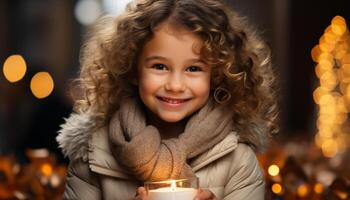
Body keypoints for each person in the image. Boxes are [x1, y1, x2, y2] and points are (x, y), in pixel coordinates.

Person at [56, 0, 278, 199]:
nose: (175, 85)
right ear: (132, 70)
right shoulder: (93, 156)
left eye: (193, 68)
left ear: (217, 75)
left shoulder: (238, 162)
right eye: (159, 66)